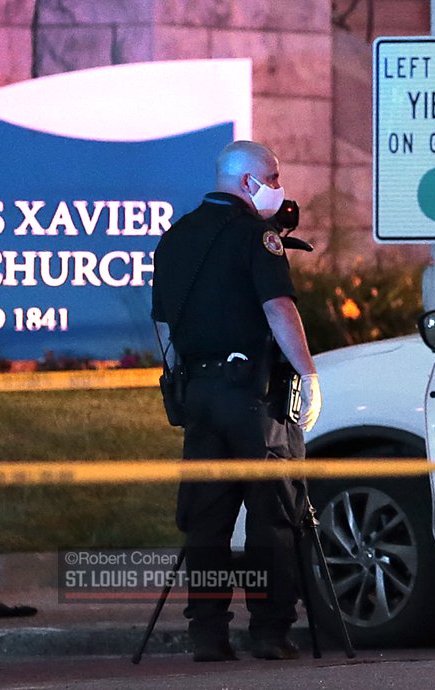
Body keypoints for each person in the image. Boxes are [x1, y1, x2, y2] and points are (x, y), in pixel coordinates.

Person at [151, 140, 322, 662]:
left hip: (198, 395)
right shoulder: (257, 236)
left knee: (207, 518)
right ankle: (270, 632)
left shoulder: (176, 236)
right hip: (253, 398)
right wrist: (309, 373)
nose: (278, 186)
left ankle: (208, 634)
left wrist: (181, 379)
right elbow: (278, 308)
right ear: (248, 182)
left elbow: (164, 324)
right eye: (272, 176)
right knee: (272, 514)